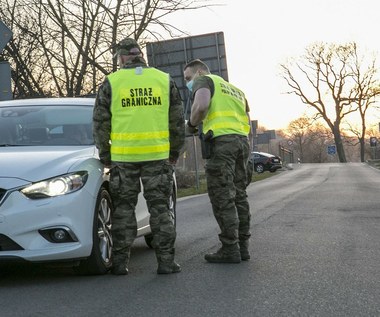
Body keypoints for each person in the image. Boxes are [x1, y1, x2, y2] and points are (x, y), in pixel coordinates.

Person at [93, 37, 185, 275]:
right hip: (157, 156)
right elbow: (176, 120)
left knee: (123, 210)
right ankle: (166, 263)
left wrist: (106, 154)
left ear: (122, 57)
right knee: (161, 210)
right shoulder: (163, 80)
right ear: (139, 55)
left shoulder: (112, 82)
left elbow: (100, 122)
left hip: (124, 158)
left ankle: (120, 263)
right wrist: (174, 152)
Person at [183, 59, 252, 263]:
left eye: (188, 78)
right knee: (239, 195)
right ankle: (243, 247)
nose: (187, 83)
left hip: (221, 144)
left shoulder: (203, 81)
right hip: (242, 142)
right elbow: (247, 120)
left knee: (223, 196)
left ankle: (230, 248)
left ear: (198, 72)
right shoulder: (236, 90)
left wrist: (192, 125)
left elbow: (202, 105)